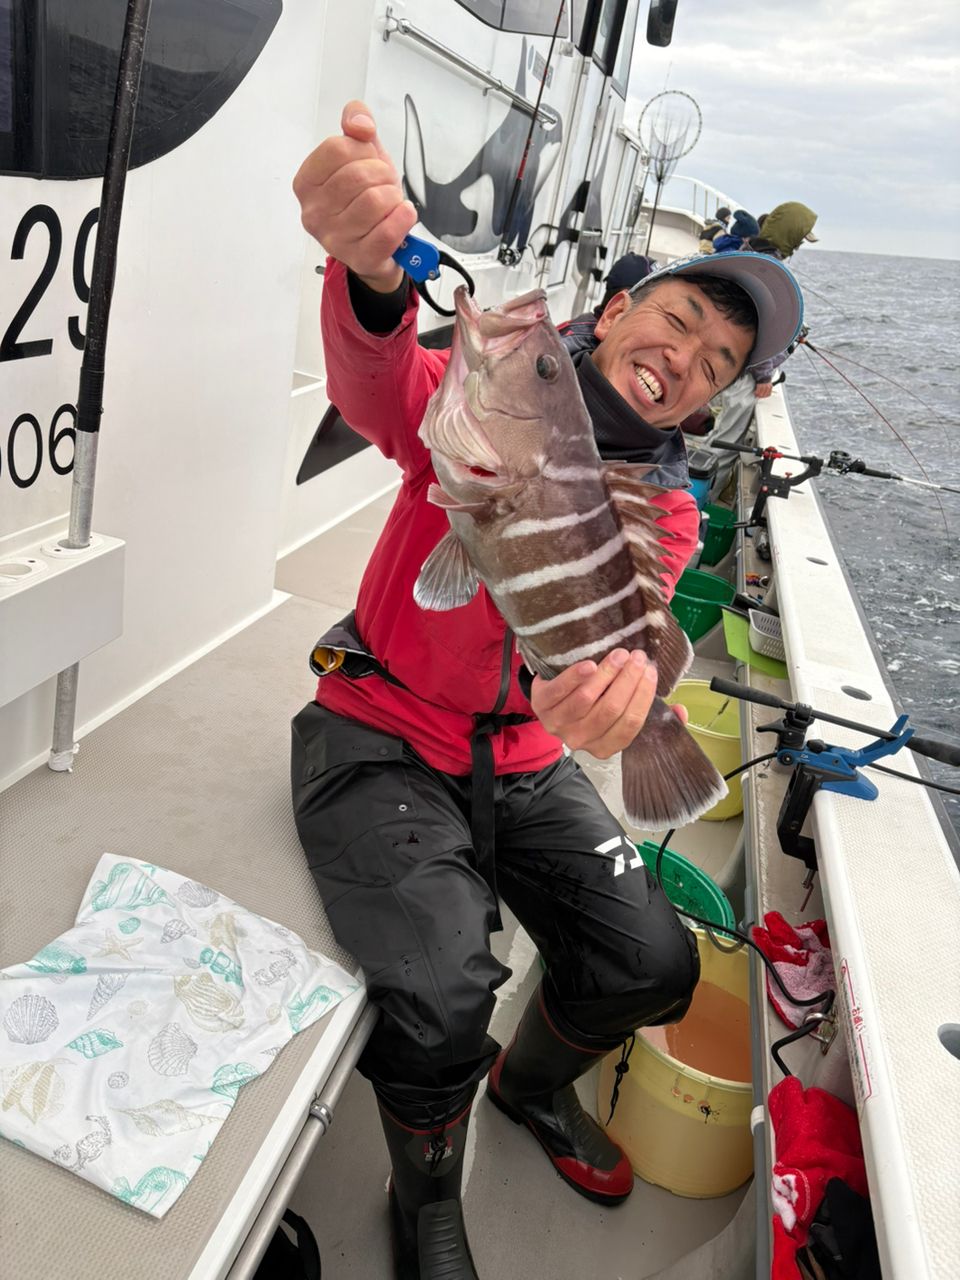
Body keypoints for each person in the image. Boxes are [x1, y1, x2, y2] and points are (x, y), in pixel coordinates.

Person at [291, 101, 803, 1280]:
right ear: (619, 310)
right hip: (380, 728)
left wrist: (616, 699)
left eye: (717, 362)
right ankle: (425, 1190)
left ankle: (527, 1090)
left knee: (654, 963)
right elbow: (383, 386)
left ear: (709, 402)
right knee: (442, 985)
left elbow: (632, 626)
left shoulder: (669, 504)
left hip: (524, 757)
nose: (685, 356)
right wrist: (369, 284)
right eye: (677, 319)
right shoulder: (482, 405)